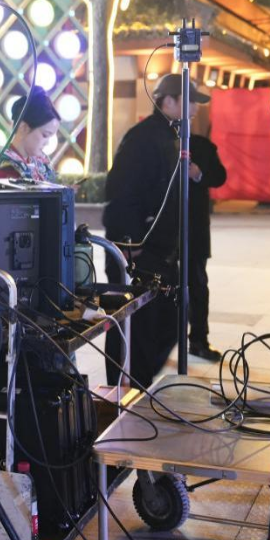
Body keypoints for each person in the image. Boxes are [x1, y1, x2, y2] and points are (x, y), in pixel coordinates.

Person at [102, 73, 210, 387]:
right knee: (135, 327)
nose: (196, 108)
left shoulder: (172, 135)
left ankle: (140, 384)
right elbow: (121, 191)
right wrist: (128, 242)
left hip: (162, 252)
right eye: (190, 101)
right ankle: (125, 390)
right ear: (169, 101)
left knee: (169, 321)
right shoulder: (142, 138)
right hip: (138, 251)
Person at [188, 130, 227, 361]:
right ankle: (161, 341)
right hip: (163, 230)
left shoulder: (202, 145)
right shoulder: (156, 141)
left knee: (198, 286)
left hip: (195, 229)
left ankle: (198, 340)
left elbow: (220, 176)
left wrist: (198, 174)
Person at [0, 88, 59, 183]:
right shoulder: (0, 169)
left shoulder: (41, 166)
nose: (47, 143)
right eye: (45, 135)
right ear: (23, 127)